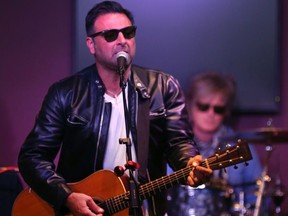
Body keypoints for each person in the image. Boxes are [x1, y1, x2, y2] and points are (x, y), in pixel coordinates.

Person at [17, 1, 212, 215]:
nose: (122, 41)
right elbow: (33, 156)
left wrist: (189, 163)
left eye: (128, 33)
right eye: (111, 35)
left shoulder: (163, 87)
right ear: (91, 44)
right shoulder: (66, 93)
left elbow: (179, 143)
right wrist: (66, 196)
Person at [166, 72, 263, 216]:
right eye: (204, 106)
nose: (211, 113)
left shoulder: (239, 147)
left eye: (219, 109)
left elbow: (256, 196)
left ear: (226, 112)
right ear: (190, 106)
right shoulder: (172, 142)